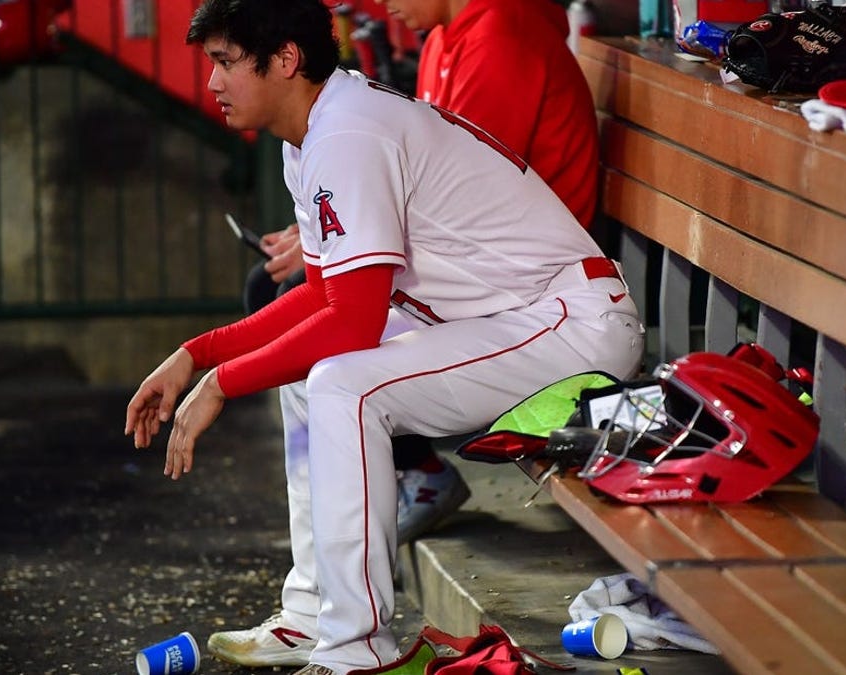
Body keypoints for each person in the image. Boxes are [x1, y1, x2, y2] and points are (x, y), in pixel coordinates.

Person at [124, 1, 643, 673]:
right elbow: (320, 293)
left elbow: (353, 320)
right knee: (315, 383)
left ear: (286, 59)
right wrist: (197, 353)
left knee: (344, 384)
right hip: (512, 319)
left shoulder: (349, 132)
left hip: (571, 322)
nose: (213, 84)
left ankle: (357, 651)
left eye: (225, 63)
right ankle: (315, 616)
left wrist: (220, 382)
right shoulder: (308, 135)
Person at [242, 0, 603, 550]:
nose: (384, 6)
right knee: (288, 308)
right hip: (467, 269)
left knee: (331, 344)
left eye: (226, 61)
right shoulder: (442, 38)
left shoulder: (502, 33)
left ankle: (415, 479)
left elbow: (471, 195)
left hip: (525, 281)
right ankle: (319, 595)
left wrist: (351, 232)